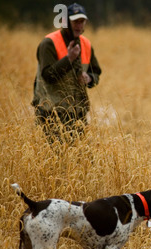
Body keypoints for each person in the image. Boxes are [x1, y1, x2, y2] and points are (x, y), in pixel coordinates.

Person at [32, 3, 101, 144]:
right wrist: (69, 59)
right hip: (51, 114)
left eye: (82, 21)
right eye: (75, 21)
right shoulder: (49, 43)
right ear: (66, 23)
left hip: (77, 115)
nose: (79, 25)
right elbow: (48, 76)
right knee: (53, 160)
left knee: (79, 160)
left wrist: (89, 78)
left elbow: (96, 72)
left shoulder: (86, 44)